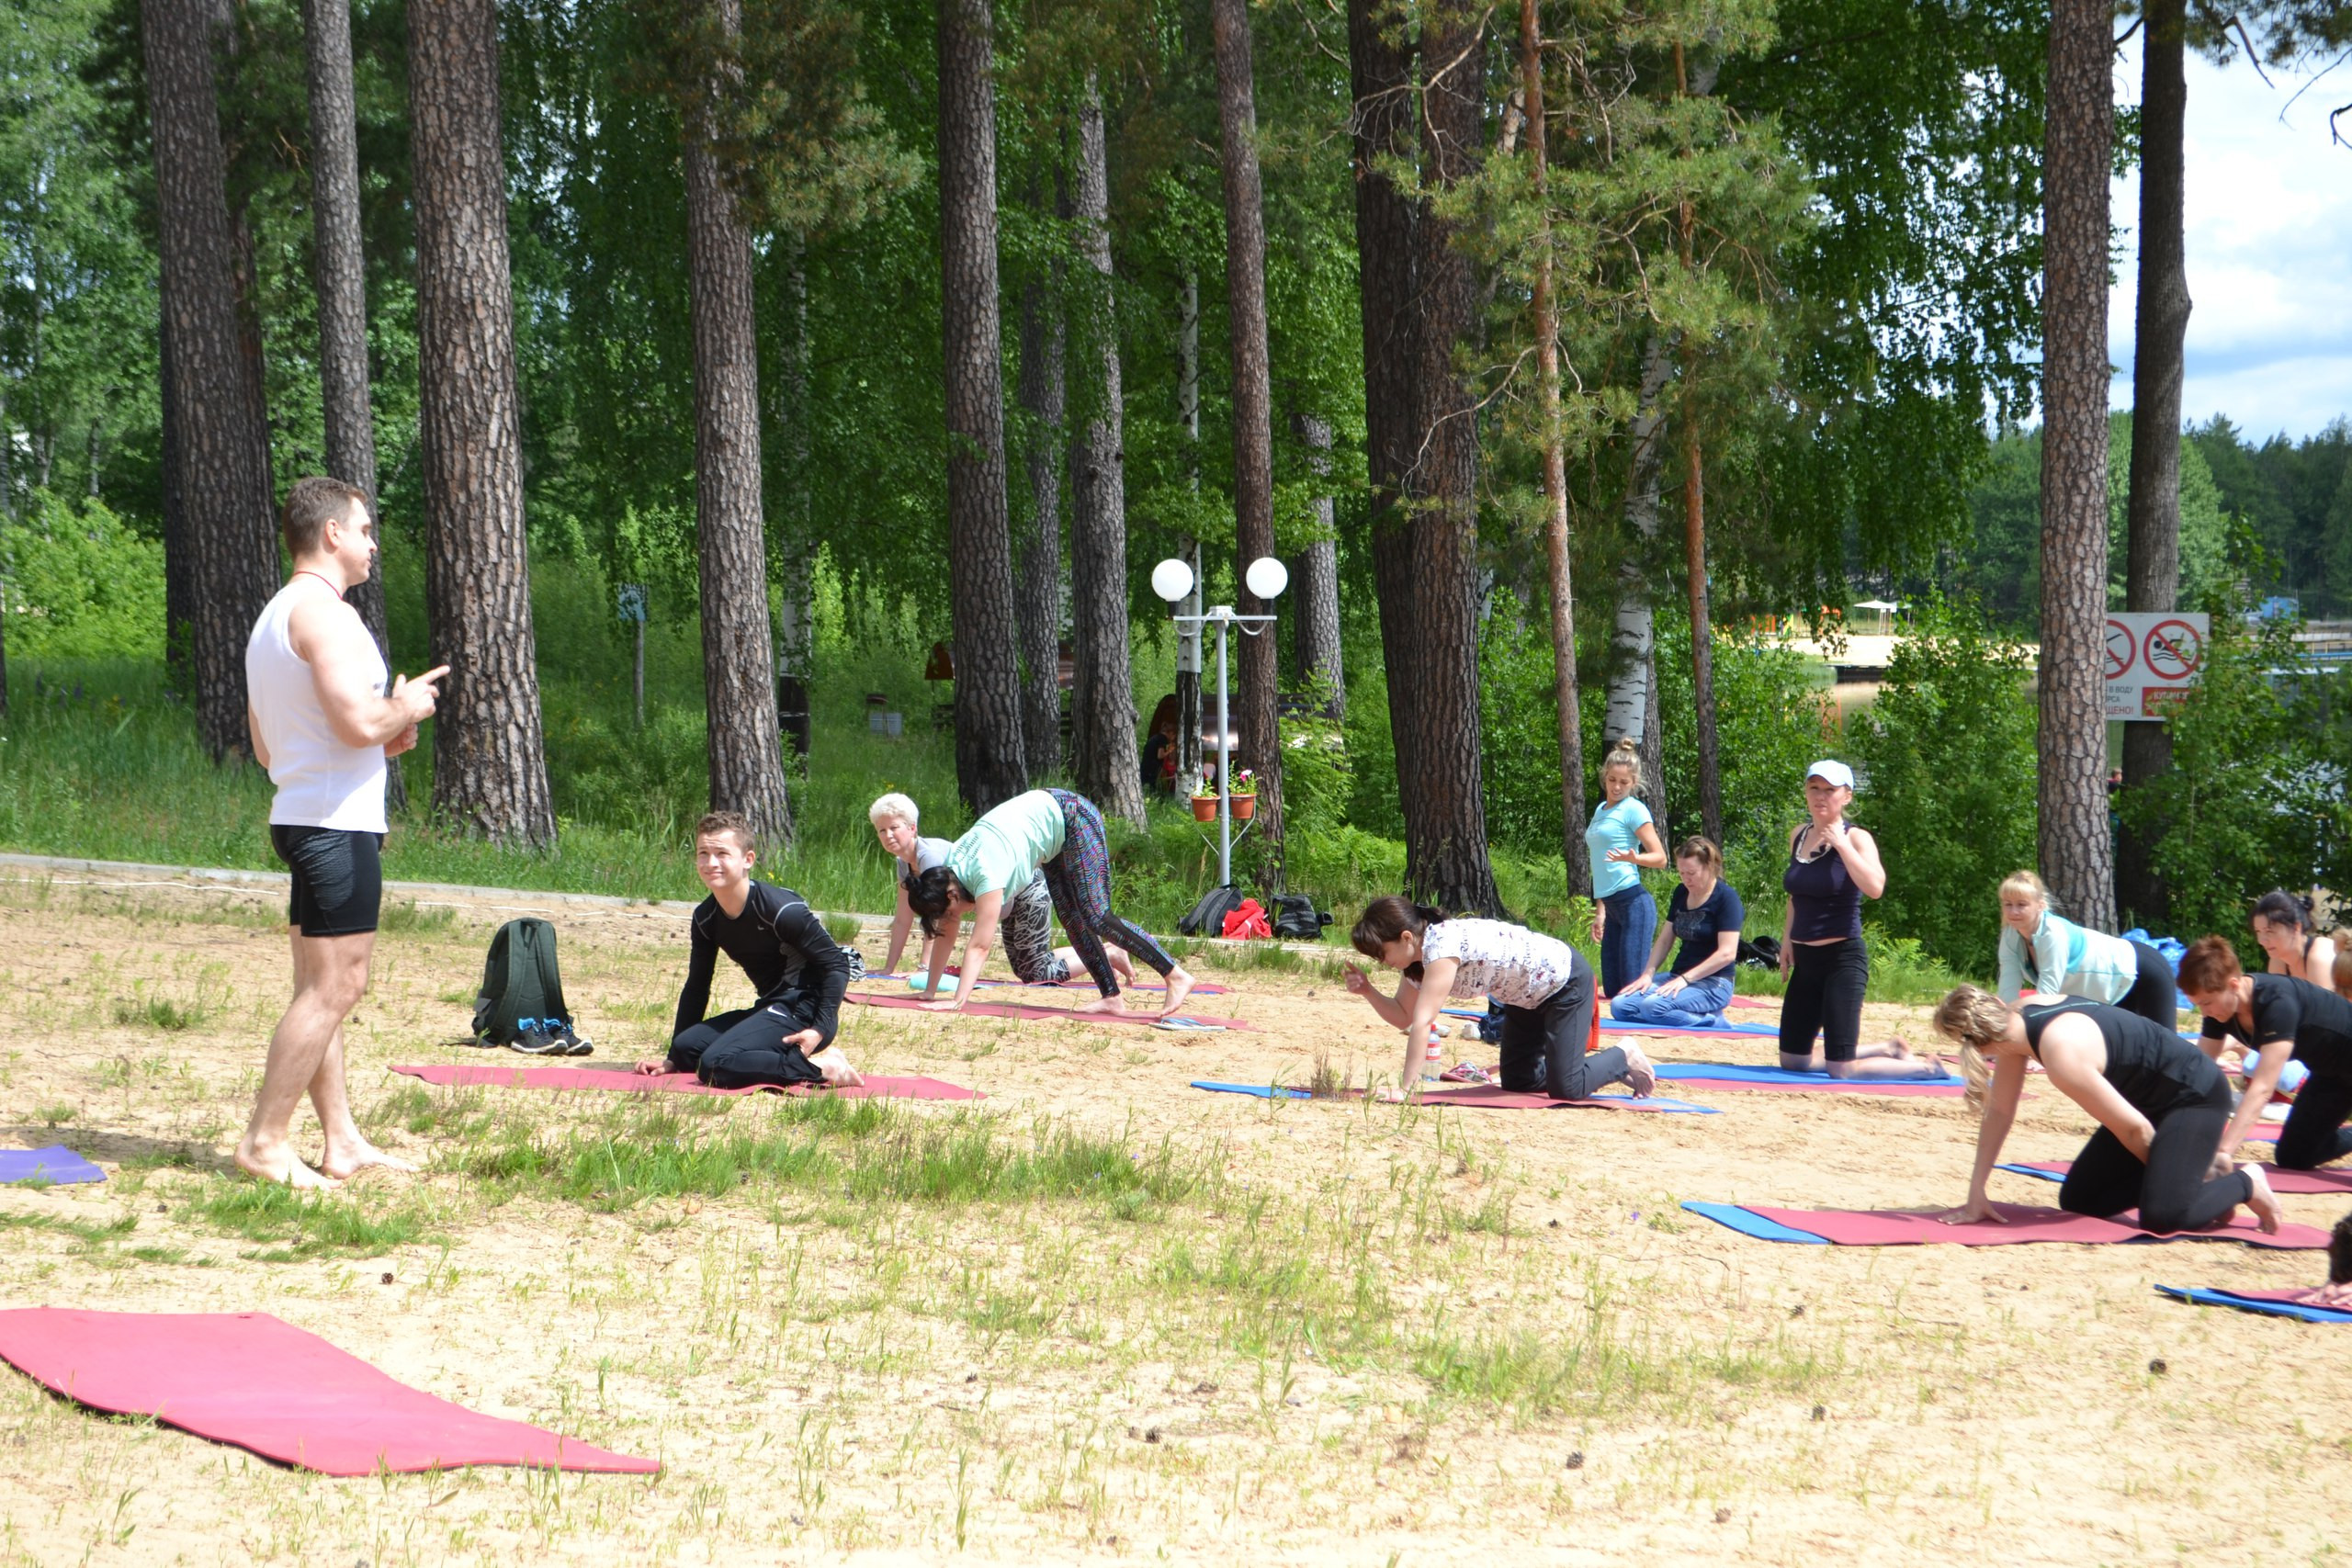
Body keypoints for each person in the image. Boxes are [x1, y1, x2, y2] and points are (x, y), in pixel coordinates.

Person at [236, 478, 447, 1187]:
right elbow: (357, 724)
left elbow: (276, 749)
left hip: (302, 815)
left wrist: (383, 736)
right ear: (331, 534)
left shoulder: (274, 617)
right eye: (363, 529)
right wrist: (405, 706)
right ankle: (265, 1141)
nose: (371, 543)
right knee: (337, 987)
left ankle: (342, 1140)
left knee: (316, 986)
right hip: (333, 828)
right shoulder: (325, 616)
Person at [1929, 987, 2280, 1235]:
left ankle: (2245, 1181)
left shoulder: (2061, 1054)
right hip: (2149, 1101)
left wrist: (2178, 1181)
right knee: (2081, 1198)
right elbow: (2001, 1110)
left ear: (1980, 1045)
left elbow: (2135, 1131)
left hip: (2194, 1097)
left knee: (2163, 1215)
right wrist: (1977, 1191)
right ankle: (2201, 1178)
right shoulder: (2017, 1016)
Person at [906, 788, 1195, 1019]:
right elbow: (946, 932)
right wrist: (930, 991)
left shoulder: (984, 874)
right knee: (1072, 920)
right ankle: (1112, 997)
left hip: (1073, 815)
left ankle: (1175, 974)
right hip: (1052, 834)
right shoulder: (951, 873)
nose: (955, 917)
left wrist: (958, 1002)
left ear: (951, 896)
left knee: (1097, 916)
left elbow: (980, 947)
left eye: (950, 913)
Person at [1346, 897, 1655, 1103]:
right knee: (1518, 1081)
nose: (1379, 960)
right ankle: (1585, 1069)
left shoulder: (1441, 946)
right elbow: (1404, 1015)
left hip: (1563, 982)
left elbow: (1423, 1021)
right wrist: (1369, 991)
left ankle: (1623, 1054)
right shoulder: (1414, 965)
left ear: (1406, 938)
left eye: (1380, 952)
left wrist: (1407, 1089)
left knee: (1568, 1088)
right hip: (1523, 999)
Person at [647, 811, 861, 1090]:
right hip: (771, 1006)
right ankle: (783, 1058)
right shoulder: (705, 917)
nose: (711, 863)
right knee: (687, 1049)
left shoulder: (782, 910)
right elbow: (697, 985)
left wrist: (818, 1030)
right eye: (703, 853)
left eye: (722, 853)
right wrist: (672, 1058)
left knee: (716, 1064)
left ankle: (824, 1067)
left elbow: (837, 965)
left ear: (748, 859)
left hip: (805, 1010)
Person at [1777, 760, 1946, 1079]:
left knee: (1841, 1070)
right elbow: (1795, 896)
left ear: (1847, 796)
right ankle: (1887, 1048)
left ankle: (1926, 1067)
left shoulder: (1857, 838)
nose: (1821, 796)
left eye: (1830, 790)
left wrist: (1841, 846)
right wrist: (1787, 939)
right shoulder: (1799, 835)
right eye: (1814, 788)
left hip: (1841, 959)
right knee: (1793, 1061)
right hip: (1806, 962)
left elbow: (1875, 888)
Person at [867, 792, 1129, 990]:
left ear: (912, 827)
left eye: (894, 828)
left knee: (1037, 973)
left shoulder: (932, 860)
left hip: (1025, 891)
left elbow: (949, 927)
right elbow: (905, 918)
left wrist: (928, 974)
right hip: (1007, 900)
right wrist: (890, 968)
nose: (888, 835)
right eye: (881, 830)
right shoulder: (904, 864)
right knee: (1032, 965)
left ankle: (1107, 954)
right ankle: (1105, 951)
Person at [2178, 935, 2352, 1171]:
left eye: (2207, 1003)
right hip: (2330, 1074)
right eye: (2198, 1004)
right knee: (2294, 1156)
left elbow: (2262, 1089)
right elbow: (2198, 1074)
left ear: (2234, 985)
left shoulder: (2277, 1003)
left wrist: (2223, 1152)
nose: (2204, 1012)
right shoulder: (2218, 1011)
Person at [1994, 870, 2180, 1028]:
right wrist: (2004, 1026)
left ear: (2040, 905)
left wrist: (2019, 1029)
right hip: (2111, 993)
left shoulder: (2053, 933)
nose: (2013, 912)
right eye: (2007, 904)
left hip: (2143, 970)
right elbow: (2008, 989)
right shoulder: (2010, 935)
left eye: (2022, 904)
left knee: (2166, 1051)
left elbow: (2046, 997)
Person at [1611, 836, 1742, 1029]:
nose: (1686, 879)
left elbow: (1727, 953)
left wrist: (1686, 979)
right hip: (1677, 976)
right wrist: (1647, 974)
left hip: (1714, 983)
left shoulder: (1727, 898)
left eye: (1691, 873)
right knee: (1620, 1006)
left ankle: (1711, 1021)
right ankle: (1685, 1014)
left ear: (1710, 867)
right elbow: (1665, 940)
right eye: (1681, 873)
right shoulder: (1681, 892)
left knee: (1653, 1007)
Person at [1586, 739, 1667, 997]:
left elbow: (1661, 858)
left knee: (1631, 989)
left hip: (1634, 904)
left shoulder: (1634, 809)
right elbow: (1600, 863)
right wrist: (1601, 912)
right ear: (1605, 777)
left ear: (1634, 783)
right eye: (1612, 780)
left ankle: (1678, 986)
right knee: (1612, 990)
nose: (1617, 786)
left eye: (1624, 782)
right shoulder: (1601, 809)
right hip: (1612, 906)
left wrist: (1634, 859)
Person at [2252, 889, 2339, 988]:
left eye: (2269, 931)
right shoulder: (2278, 960)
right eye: (2258, 931)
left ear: (2296, 927)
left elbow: (2323, 1004)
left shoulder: (2319, 957)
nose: (2261, 941)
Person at [1140, 695, 1181, 795]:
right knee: (1152, 788)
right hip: (1151, 768)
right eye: (1174, 736)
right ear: (1171, 733)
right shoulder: (1163, 739)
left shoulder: (1156, 737)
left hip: (1145, 766)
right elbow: (1160, 755)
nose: (1173, 739)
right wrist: (1169, 751)